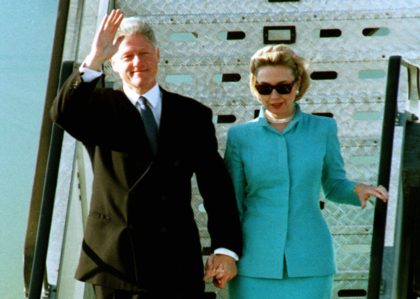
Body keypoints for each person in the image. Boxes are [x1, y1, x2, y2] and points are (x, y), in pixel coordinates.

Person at [50, 9, 242, 299]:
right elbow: (62, 113)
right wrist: (94, 58)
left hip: (176, 261)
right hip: (116, 264)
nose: (138, 63)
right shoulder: (97, 108)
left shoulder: (192, 114)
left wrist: (225, 249)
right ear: (113, 63)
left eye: (144, 53)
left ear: (158, 55)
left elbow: (216, 186)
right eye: (127, 57)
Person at [224, 45, 389, 299]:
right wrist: (225, 252)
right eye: (264, 88)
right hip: (253, 261)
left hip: (310, 259)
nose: (275, 95)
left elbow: (334, 185)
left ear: (298, 83)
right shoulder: (239, 136)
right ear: (254, 86)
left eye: (283, 86)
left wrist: (358, 189)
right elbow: (231, 202)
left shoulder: (323, 129)